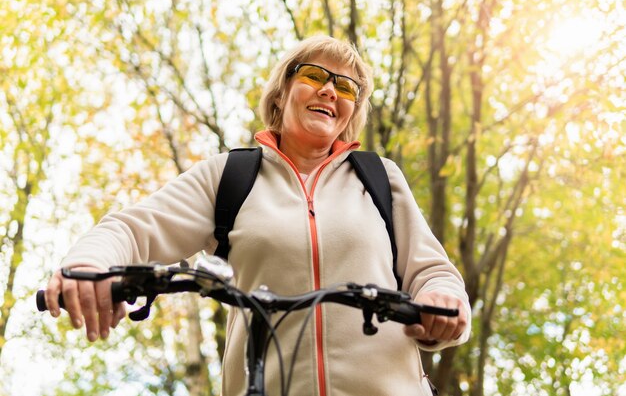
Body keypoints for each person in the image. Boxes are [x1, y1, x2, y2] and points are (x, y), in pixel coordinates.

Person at [45, 35, 470, 396]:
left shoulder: (379, 177)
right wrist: (87, 266)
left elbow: (433, 272)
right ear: (283, 91)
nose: (330, 91)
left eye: (346, 87)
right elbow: (132, 229)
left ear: (350, 113)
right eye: (314, 76)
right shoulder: (231, 175)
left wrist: (441, 304)